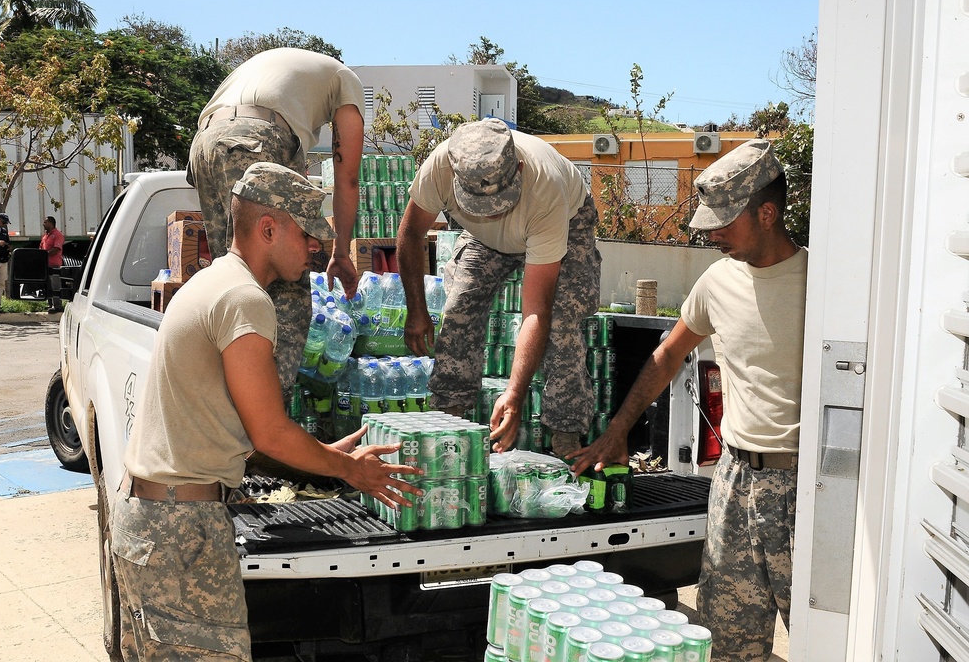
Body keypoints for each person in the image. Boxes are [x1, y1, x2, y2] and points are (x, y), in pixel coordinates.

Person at [112, 162, 422, 661]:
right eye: (307, 233)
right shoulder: (244, 299)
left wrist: (319, 454)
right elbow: (270, 432)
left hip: (152, 520)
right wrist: (351, 470)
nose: (316, 247)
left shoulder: (214, 281)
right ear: (269, 228)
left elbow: (239, 428)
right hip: (181, 531)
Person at [567, 139, 806, 661]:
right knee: (726, 646)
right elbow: (666, 356)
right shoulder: (716, 281)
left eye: (724, 220)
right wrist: (617, 432)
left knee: (825, 640)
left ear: (767, 213)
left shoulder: (824, 285)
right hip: (734, 485)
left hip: (805, 491)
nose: (711, 232)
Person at [397, 118, 602, 456]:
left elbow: (537, 310)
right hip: (483, 240)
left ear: (518, 168)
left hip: (565, 222)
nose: (492, 214)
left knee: (562, 323)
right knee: (459, 307)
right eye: (479, 204)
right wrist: (416, 310)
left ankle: (566, 433)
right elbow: (411, 235)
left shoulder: (545, 190)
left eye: (498, 204)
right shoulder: (439, 166)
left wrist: (514, 394)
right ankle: (448, 414)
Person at [187, 47, 365, 398]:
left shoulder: (284, 69)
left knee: (234, 277)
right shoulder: (347, 82)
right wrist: (341, 252)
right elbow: (347, 179)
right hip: (255, 139)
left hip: (204, 145)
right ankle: (268, 422)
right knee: (286, 286)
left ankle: (220, 400)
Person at [40, 215, 64, 312]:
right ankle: (50, 304)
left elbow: (56, 249)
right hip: (46, 265)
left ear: (51, 223)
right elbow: (41, 248)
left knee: (55, 285)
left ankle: (57, 305)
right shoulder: (45, 236)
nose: (43, 224)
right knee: (48, 285)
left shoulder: (58, 235)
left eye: (45, 222)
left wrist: (44, 255)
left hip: (54, 265)